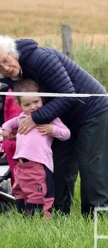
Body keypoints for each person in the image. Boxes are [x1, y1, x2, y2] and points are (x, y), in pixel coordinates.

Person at [0, 35, 108, 216]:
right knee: (58, 164)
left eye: (6, 61)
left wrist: (36, 118)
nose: (6, 68)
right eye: (0, 67)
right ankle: (59, 214)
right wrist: (14, 129)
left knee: (92, 166)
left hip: (91, 110)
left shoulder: (41, 58)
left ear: (12, 53)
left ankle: (99, 217)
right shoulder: (11, 77)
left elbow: (68, 95)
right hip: (60, 118)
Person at [1, 79, 70, 215]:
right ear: (20, 105)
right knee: (20, 193)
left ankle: (41, 218)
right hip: (21, 166)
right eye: (27, 104)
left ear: (42, 98)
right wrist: (6, 131)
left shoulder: (49, 117)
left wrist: (53, 129)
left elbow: (66, 134)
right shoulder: (21, 117)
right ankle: (25, 218)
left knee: (39, 195)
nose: (33, 107)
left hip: (39, 165)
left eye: (36, 102)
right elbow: (7, 125)